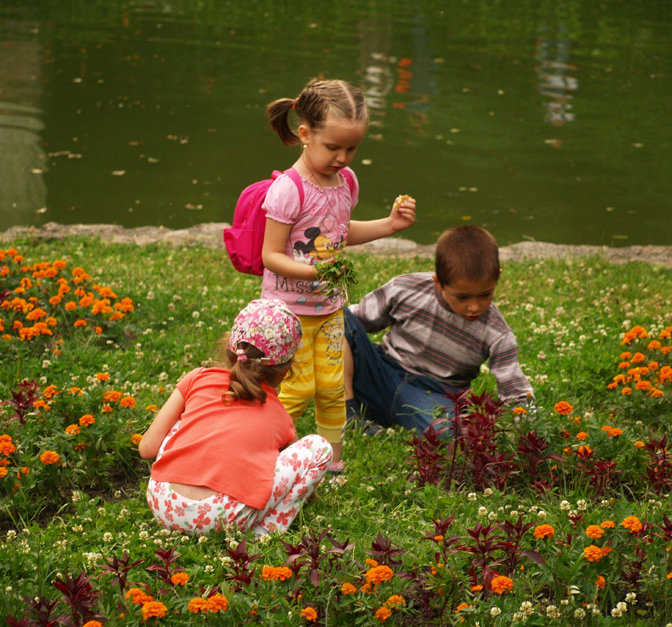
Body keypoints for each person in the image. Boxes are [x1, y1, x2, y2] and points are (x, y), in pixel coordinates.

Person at [261, 78, 416, 470]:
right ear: (304, 134)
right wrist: (315, 271)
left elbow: (341, 234)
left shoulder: (346, 182)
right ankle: (270, 459)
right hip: (288, 312)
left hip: (329, 309)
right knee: (295, 391)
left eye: (352, 148)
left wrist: (389, 225)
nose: (343, 157)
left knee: (331, 388)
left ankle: (331, 466)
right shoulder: (288, 189)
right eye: (333, 147)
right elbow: (271, 256)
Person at [138, 299, 333, 536]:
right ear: (286, 368)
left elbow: (147, 448)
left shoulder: (197, 378)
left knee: (183, 420)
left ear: (231, 349)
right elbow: (291, 474)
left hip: (164, 504)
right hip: (224, 518)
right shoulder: (280, 416)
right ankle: (266, 532)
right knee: (319, 447)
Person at [343, 225, 534, 435]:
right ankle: (348, 410)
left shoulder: (497, 333)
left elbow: (514, 388)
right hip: (381, 372)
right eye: (462, 297)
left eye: (485, 295)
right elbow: (354, 322)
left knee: (454, 432)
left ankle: (375, 413)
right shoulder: (406, 288)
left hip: (434, 394)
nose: (475, 307)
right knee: (335, 318)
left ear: (497, 277)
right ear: (439, 283)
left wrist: (531, 429)